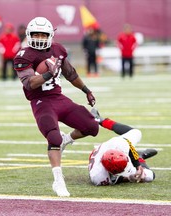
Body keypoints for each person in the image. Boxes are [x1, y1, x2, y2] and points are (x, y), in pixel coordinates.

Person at [14, 17, 99, 197]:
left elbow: (70, 73)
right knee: (53, 136)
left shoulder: (58, 49)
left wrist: (86, 90)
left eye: (43, 34)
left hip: (59, 98)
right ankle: (58, 181)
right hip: (41, 102)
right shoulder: (23, 56)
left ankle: (66, 139)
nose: (39, 37)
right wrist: (46, 75)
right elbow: (29, 84)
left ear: (50, 35)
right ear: (28, 35)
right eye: (35, 34)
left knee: (92, 126)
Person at [89, 108, 157, 186]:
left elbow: (129, 146)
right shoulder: (98, 176)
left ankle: (101, 120)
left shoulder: (119, 144)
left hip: (115, 147)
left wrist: (138, 165)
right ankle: (140, 156)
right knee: (149, 176)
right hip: (105, 158)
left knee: (136, 133)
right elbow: (114, 179)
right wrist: (129, 178)